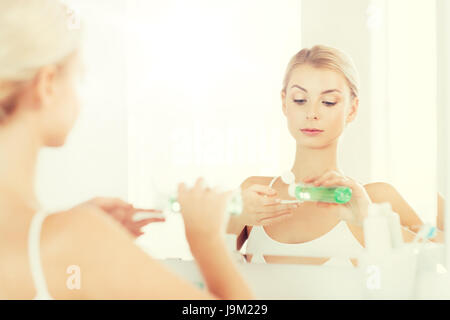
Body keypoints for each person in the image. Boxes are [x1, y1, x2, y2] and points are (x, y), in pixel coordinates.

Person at [0, 0, 252, 300]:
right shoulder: (70, 239)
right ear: (48, 84)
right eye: (80, 78)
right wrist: (207, 240)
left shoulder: (68, 239)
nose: (82, 100)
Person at [227, 45, 443, 266]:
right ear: (284, 102)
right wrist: (234, 217)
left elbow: (438, 267)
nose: (312, 113)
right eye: (300, 99)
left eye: (328, 102)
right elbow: (207, 280)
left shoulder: (378, 199)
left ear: (352, 108)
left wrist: (370, 221)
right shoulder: (253, 196)